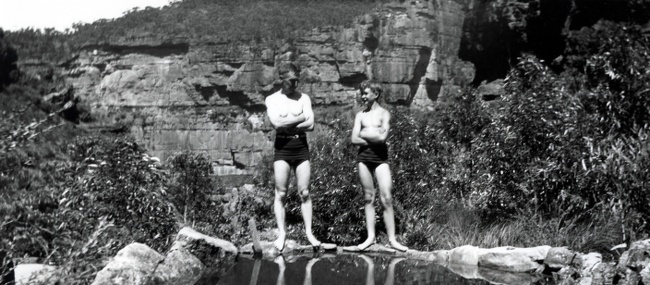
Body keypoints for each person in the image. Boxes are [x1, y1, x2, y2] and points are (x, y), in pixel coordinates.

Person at [265, 62, 334, 252]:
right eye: (291, 81)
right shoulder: (271, 99)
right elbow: (277, 124)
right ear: (282, 79)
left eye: (297, 81)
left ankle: (309, 232)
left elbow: (311, 124)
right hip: (282, 147)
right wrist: (299, 118)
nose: (295, 84)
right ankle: (282, 234)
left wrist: (289, 122)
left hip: (300, 146)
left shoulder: (304, 98)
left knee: (304, 192)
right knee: (281, 192)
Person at [351, 81, 409, 252]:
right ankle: (370, 237)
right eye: (362, 93)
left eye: (366, 93)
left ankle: (392, 239)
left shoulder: (384, 114)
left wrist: (363, 133)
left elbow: (383, 139)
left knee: (386, 197)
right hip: (364, 158)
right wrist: (373, 135)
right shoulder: (360, 115)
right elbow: (354, 139)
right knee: (368, 197)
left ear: (375, 94)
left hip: (381, 159)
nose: (363, 96)